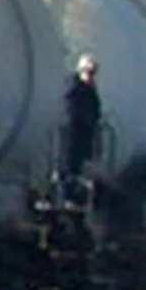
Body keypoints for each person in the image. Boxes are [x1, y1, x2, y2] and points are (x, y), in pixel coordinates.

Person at [60, 53, 101, 204]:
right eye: (89, 72)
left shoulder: (90, 92)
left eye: (93, 73)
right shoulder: (74, 90)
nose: (91, 76)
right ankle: (68, 195)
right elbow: (73, 112)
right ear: (80, 71)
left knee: (80, 169)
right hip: (74, 139)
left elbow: (96, 112)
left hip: (84, 138)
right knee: (70, 168)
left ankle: (77, 195)